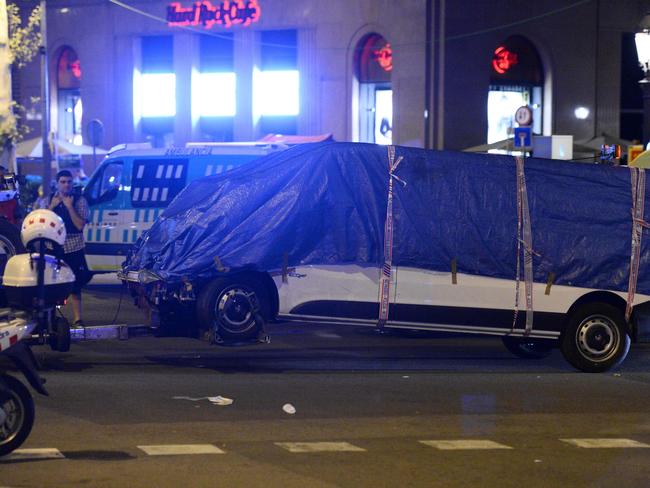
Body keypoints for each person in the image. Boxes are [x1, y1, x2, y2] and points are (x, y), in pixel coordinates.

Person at [49, 169, 90, 327]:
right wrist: (52, 206)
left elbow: (80, 225)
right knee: (51, 284)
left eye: (69, 181)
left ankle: (78, 318)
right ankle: (50, 318)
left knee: (75, 285)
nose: (66, 185)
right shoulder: (50, 199)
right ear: (57, 183)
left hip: (74, 246)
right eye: (63, 182)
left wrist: (69, 207)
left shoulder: (79, 200)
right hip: (54, 247)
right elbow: (43, 219)